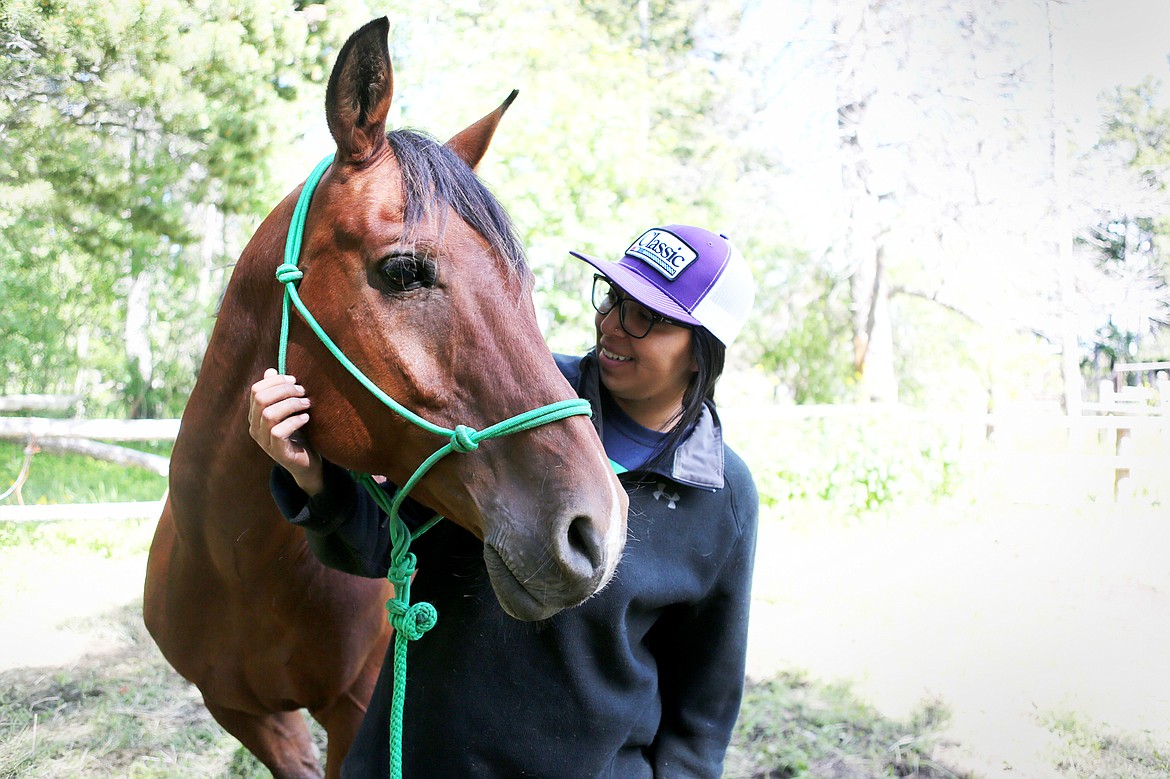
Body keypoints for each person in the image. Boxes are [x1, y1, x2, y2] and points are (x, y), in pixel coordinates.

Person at [248, 224, 759, 778]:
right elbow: (380, 547)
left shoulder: (721, 496)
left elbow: (702, 712)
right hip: (423, 759)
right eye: (614, 297)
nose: (612, 324)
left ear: (703, 347)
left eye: (648, 317)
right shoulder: (510, 400)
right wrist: (314, 479)